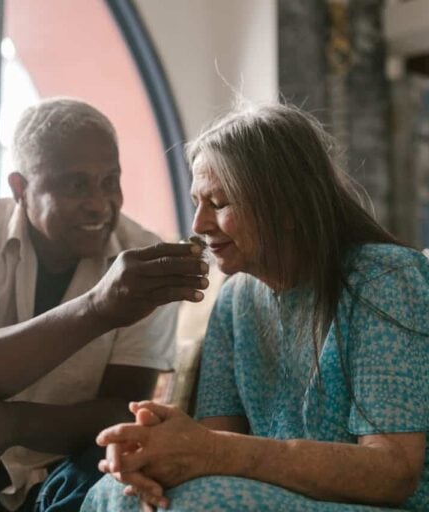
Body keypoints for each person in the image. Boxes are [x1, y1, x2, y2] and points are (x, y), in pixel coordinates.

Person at [82, 103, 429, 511]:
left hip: (385, 504)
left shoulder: (383, 278)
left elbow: (393, 473)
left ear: (287, 207)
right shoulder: (235, 298)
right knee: (112, 493)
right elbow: (213, 442)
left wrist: (211, 451)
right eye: (196, 202)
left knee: (196, 504)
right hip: (277, 495)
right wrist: (162, 451)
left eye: (218, 203)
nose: (198, 225)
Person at [0, 97, 209, 512]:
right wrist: (97, 308)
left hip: (61, 476)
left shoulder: (144, 260)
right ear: (20, 188)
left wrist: (14, 424)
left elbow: (123, 412)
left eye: (110, 181)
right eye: (76, 185)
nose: (99, 203)